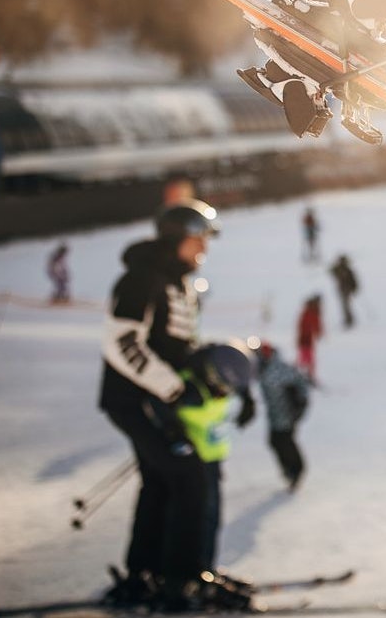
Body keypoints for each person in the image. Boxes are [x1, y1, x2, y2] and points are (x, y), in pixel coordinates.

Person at [98, 199, 251, 612]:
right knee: (190, 480)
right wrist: (173, 390)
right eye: (197, 239)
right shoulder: (141, 279)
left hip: (158, 403)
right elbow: (122, 342)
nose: (203, 248)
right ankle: (183, 580)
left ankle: (149, 573)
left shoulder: (177, 281)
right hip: (136, 401)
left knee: (163, 482)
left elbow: (176, 346)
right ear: (176, 238)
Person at [174, 342, 257, 578]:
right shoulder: (189, 387)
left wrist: (247, 398)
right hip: (192, 462)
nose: (226, 392)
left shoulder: (223, 369)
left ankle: (205, 568)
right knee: (197, 519)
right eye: (223, 387)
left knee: (211, 518)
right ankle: (192, 571)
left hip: (212, 459)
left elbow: (238, 376)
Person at [253, 341, 313, 490]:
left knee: (283, 442)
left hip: (286, 414)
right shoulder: (264, 368)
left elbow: (300, 382)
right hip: (275, 414)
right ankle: (290, 470)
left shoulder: (278, 369)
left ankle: (296, 470)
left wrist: (300, 402)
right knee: (275, 442)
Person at [295, 294, 324, 380]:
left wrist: (318, 332)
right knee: (306, 358)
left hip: (308, 338)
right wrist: (318, 332)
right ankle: (303, 375)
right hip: (306, 338)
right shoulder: (310, 312)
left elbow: (316, 324)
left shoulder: (312, 312)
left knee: (307, 357)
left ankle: (307, 375)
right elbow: (306, 325)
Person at [328, 254, 360, 328]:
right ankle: (348, 319)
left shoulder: (348, 270)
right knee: (345, 305)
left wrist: (354, 288)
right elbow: (331, 271)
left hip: (346, 290)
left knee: (346, 305)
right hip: (341, 289)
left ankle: (349, 319)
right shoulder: (338, 269)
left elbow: (354, 281)